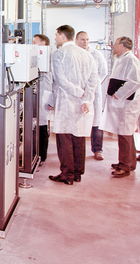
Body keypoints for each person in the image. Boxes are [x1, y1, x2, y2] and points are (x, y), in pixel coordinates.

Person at [48, 25, 97, 185]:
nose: (55, 38)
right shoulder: (86, 54)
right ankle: (77, 172)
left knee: (64, 138)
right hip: (81, 102)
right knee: (78, 136)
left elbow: (60, 80)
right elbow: (93, 79)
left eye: (56, 35)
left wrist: (78, 92)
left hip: (66, 99)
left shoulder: (59, 54)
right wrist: (86, 98)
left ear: (62, 36)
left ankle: (67, 174)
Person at [99, 37, 140, 178]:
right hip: (122, 104)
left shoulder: (131, 60)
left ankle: (125, 165)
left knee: (125, 135)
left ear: (122, 45)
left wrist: (118, 94)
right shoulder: (122, 59)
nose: (113, 46)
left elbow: (135, 81)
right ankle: (129, 162)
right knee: (125, 134)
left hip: (127, 104)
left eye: (115, 44)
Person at [75, 31, 108, 160]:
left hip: (94, 91)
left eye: (87, 40)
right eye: (82, 39)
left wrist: (91, 86)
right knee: (77, 120)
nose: (85, 42)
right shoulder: (74, 54)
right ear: (76, 40)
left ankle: (97, 149)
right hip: (78, 92)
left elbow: (103, 72)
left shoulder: (96, 54)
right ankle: (77, 149)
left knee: (96, 121)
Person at [33, 34, 53, 165]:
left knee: (42, 125)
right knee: (37, 124)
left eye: (35, 42)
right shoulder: (38, 56)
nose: (32, 44)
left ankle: (42, 155)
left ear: (43, 43)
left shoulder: (48, 57)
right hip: (38, 93)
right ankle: (36, 152)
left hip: (44, 93)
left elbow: (51, 80)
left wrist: (51, 100)